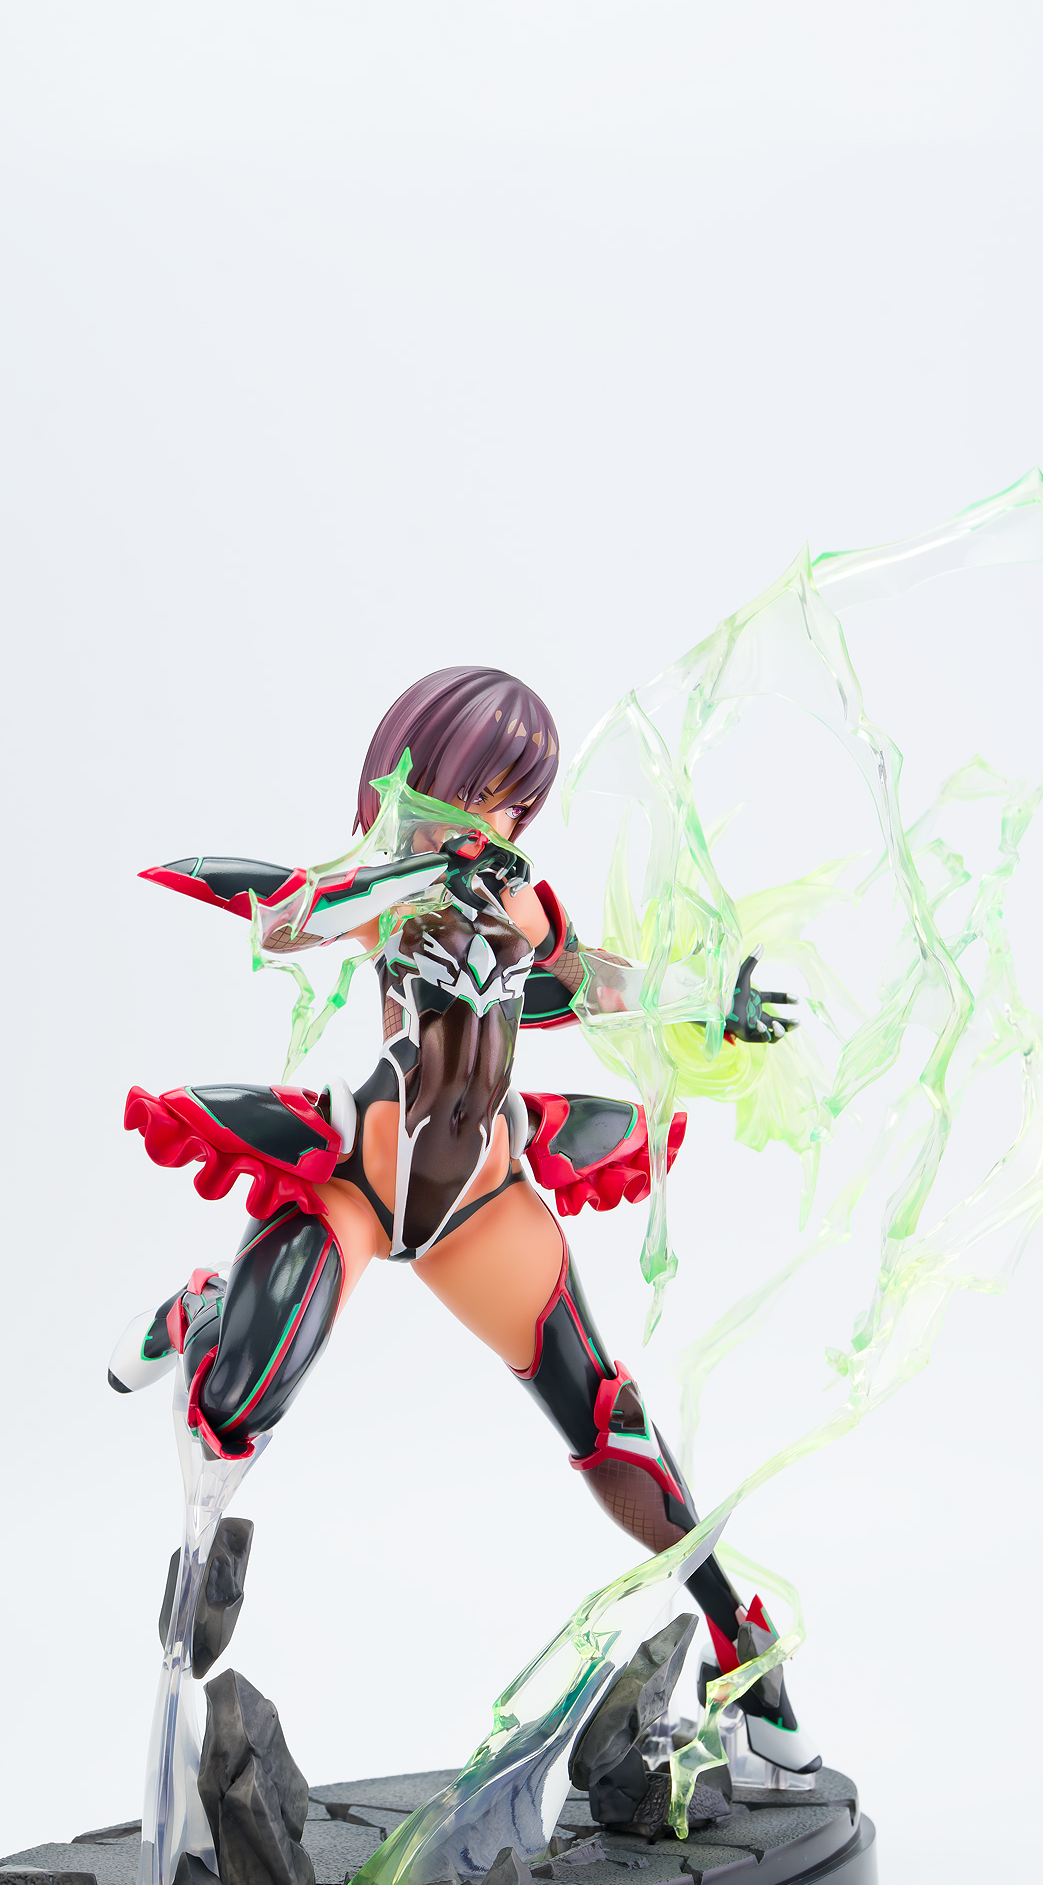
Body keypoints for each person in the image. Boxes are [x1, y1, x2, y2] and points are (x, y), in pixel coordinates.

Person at [112, 665, 817, 1787]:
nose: (500, 818)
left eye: (517, 801)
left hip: (483, 1199)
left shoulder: (523, 903)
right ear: (424, 776)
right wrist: (406, 867)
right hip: (365, 1179)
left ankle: (742, 1641)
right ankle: (205, 1313)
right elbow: (291, 920)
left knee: (603, 1415)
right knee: (244, 1400)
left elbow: (593, 985)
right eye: (483, 791)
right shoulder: (385, 888)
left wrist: (704, 1003)